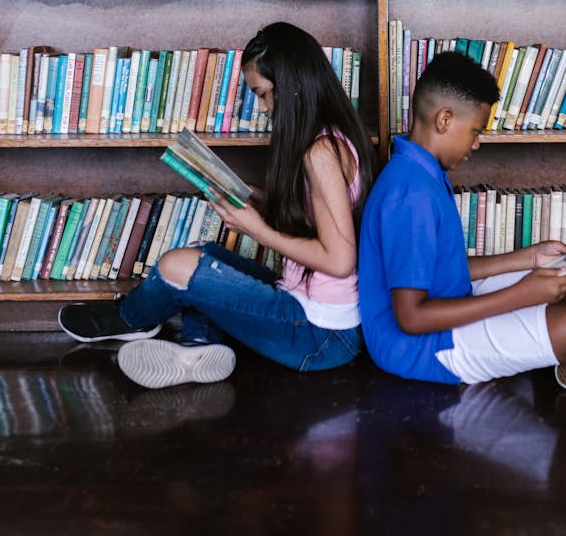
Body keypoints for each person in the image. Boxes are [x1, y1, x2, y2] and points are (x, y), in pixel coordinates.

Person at [59, 22, 377, 389]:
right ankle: (197, 346)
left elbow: (340, 260)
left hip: (317, 335)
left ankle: (134, 319)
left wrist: (257, 230)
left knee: (176, 266)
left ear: (291, 88)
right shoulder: (335, 136)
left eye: (263, 94)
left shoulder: (320, 152)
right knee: (203, 253)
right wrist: (257, 195)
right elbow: (323, 213)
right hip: (319, 318)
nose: (261, 107)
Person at [358, 50, 566, 403]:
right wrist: (521, 295)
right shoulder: (410, 194)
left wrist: (529, 259)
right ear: (444, 119)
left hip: (446, 304)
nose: (477, 144)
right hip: (418, 348)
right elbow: (411, 318)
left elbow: (441, 269)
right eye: (475, 131)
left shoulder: (423, 172)